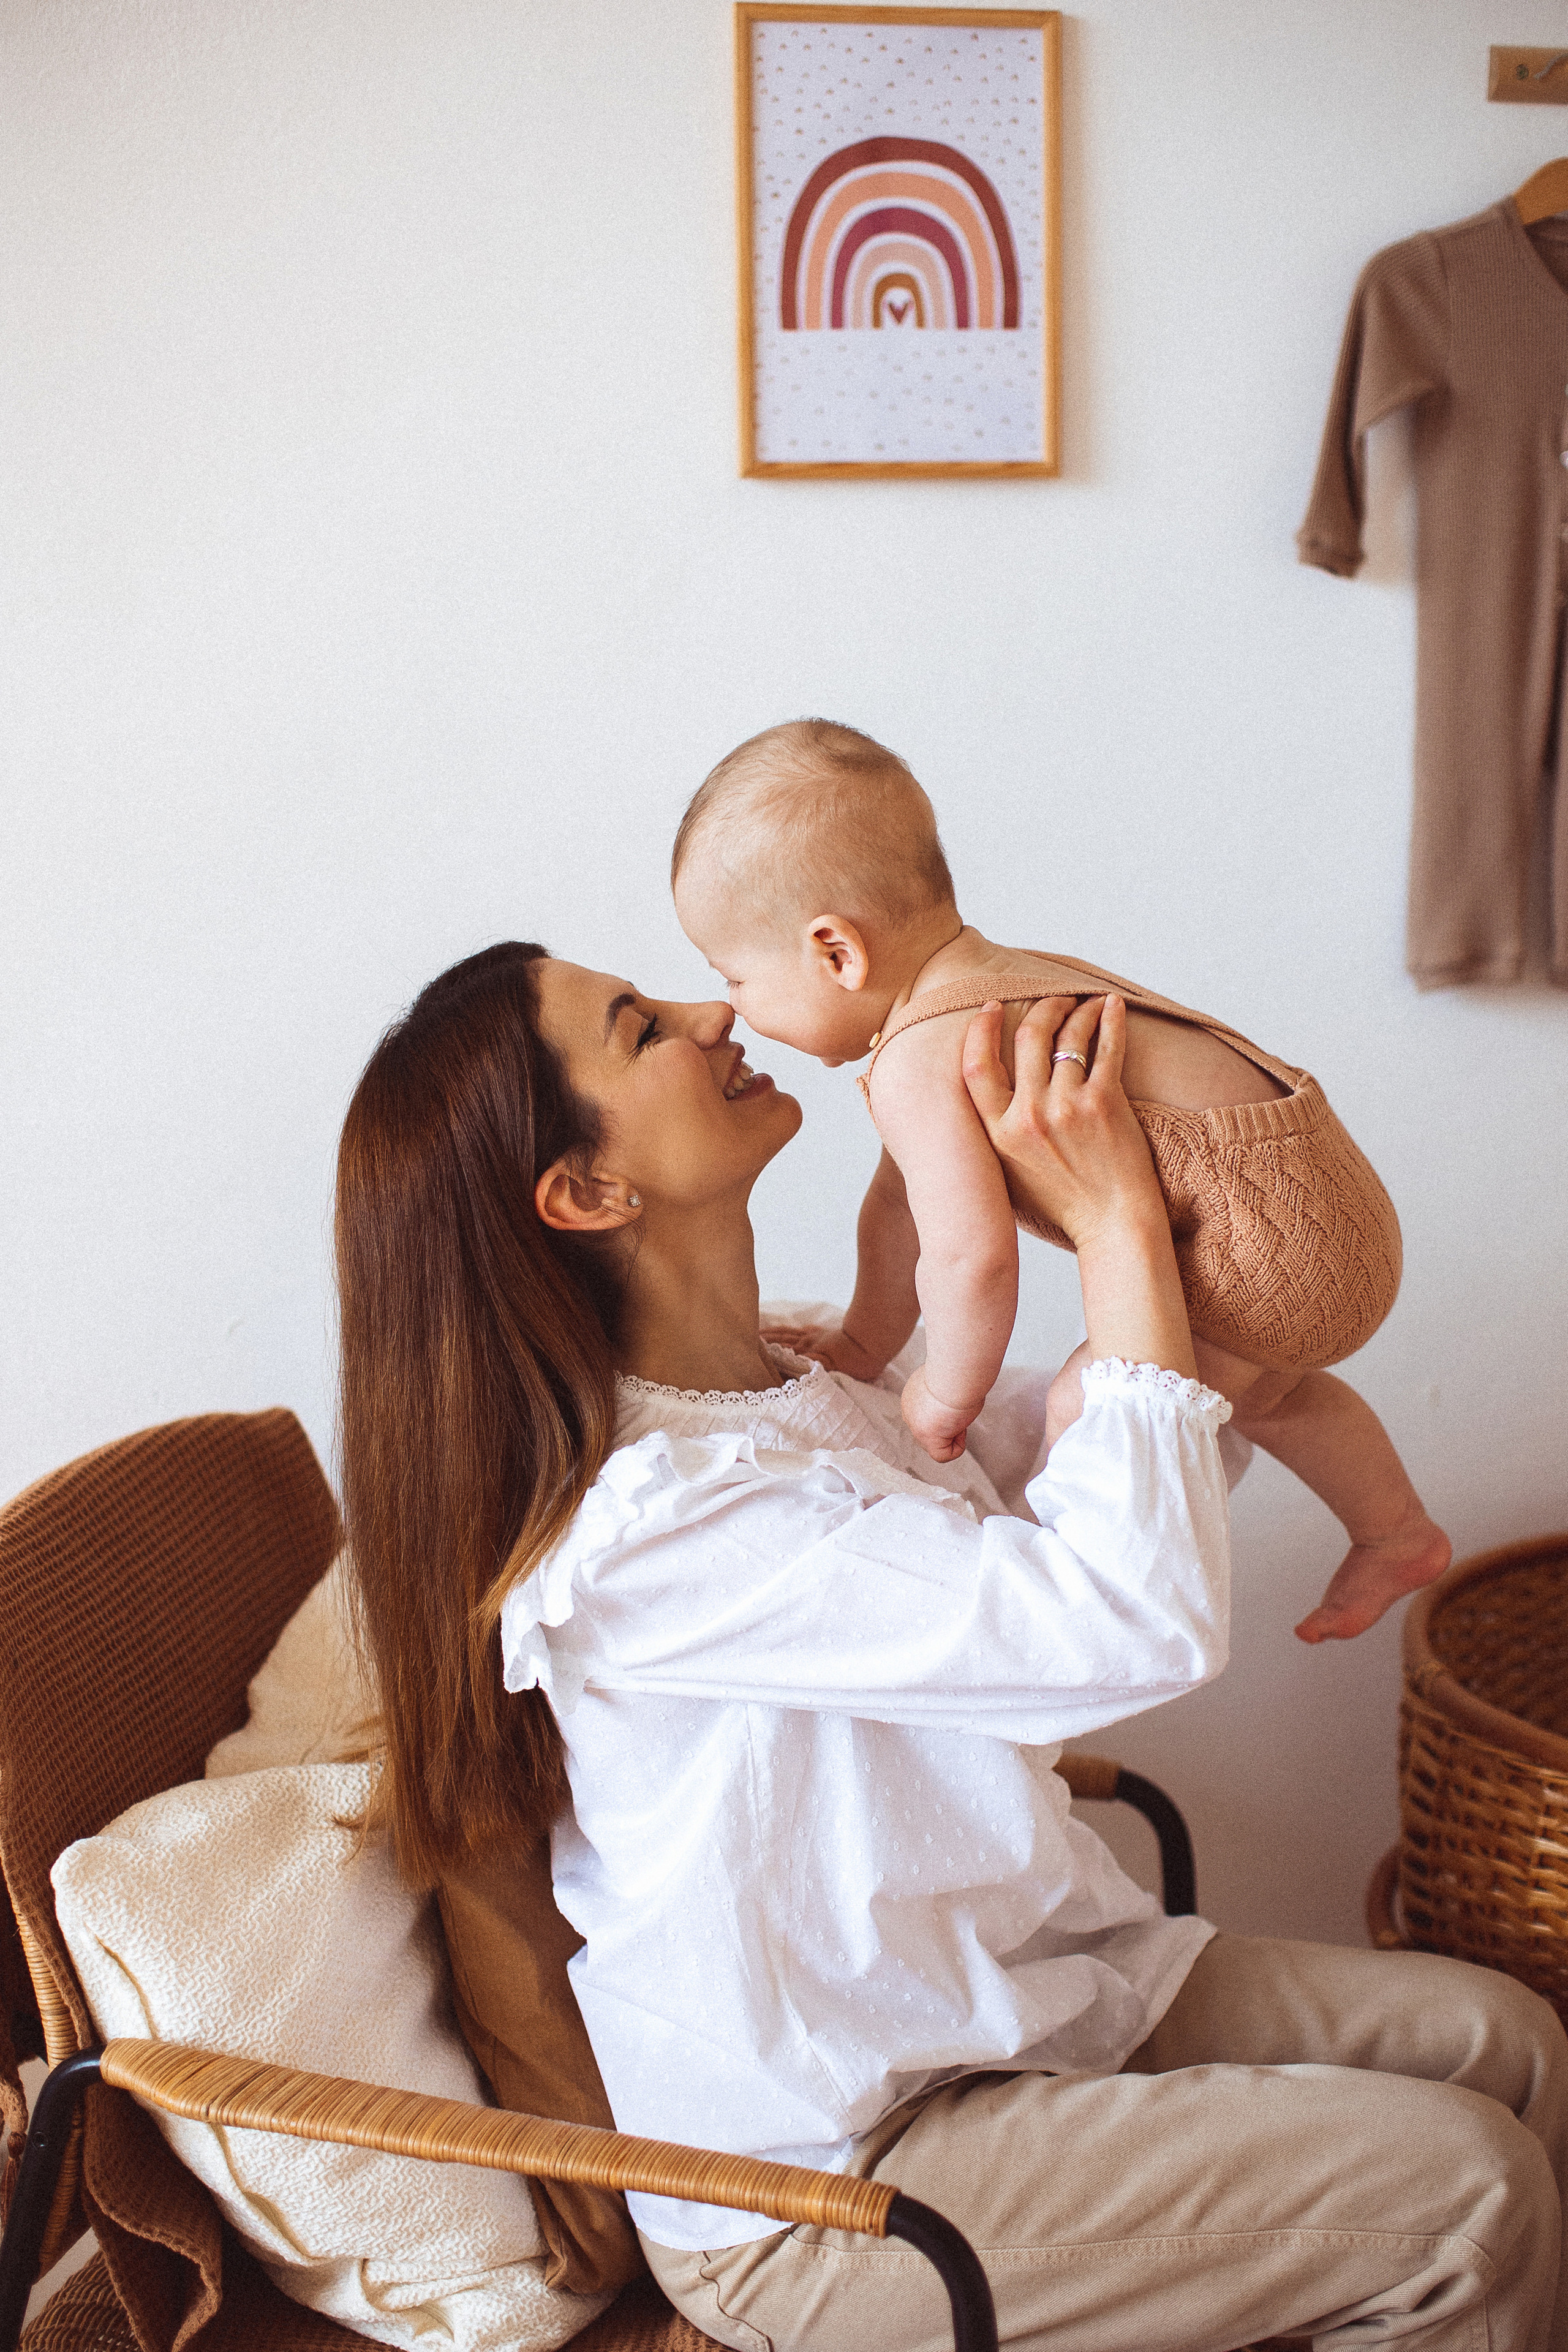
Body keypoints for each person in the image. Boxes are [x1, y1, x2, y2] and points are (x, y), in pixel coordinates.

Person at [334, 939, 1567, 2352]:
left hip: (1026, 2000)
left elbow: (1092, 1485)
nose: (713, 1008)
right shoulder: (645, 1534)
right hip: (831, 2172)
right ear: (586, 1191)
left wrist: (1176, 1244)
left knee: (1508, 2045)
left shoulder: (802, 1381)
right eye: (639, 1027)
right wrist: (1109, 1231)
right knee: (1467, 2199)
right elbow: (1124, 1622)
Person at [670, 717, 1449, 1647]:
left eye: (737, 976)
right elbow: (901, 1215)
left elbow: (970, 1257)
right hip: (1331, 1218)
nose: (731, 1008)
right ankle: (1395, 1528)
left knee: (1085, 1403)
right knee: (1271, 1393)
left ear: (837, 952)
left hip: (1264, 1256)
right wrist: (864, 1342)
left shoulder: (920, 1055)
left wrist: (944, 1393)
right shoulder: (988, 986)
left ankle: (1042, 1603)